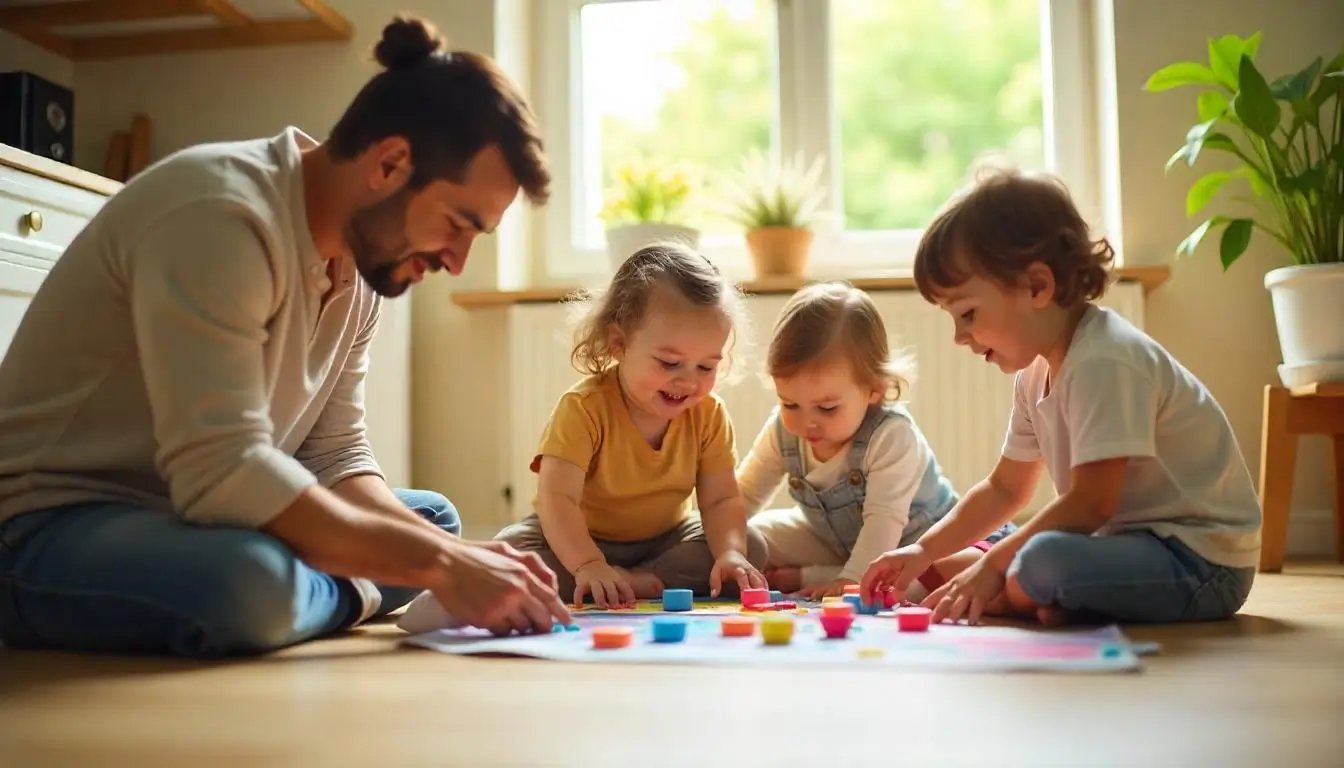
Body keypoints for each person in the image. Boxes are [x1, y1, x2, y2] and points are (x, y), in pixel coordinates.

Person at [0, 15, 572, 658]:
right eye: (457, 224)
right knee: (250, 584)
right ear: (390, 164)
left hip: (187, 512)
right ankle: (319, 590)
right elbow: (220, 470)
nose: (457, 261)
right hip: (44, 526)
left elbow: (335, 455)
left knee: (435, 518)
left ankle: (319, 584)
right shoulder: (219, 214)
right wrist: (440, 568)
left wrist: (447, 553)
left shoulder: (361, 267)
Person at [861, 166, 1261, 626]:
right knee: (980, 557)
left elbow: (1092, 503)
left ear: (1037, 286)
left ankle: (1020, 590)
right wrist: (922, 548)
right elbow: (1005, 487)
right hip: (1127, 543)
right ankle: (1030, 592)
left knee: (1039, 561)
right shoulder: (1035, 372)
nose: (959, 337)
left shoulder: (1105, 360)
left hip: (1201, 562)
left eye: (968, 313)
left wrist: (992, 565)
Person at [493, 243, 769, 607]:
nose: (687, 381)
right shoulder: (584, 409)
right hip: (578, 538)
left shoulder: (709, 415)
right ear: (619, 343)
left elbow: (720, 500)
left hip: (665, 539)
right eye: (670, 363)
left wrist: (730, 554)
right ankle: (603, 580)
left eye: (706, 367)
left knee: (752, 546)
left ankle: (639, 581)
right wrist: (589, 564)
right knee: (508, 553)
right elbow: (557, 500)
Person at [736, 282, 1013, 601]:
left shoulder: (891, 436)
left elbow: (883, 522)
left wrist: (850, 580)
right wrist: (720, 542)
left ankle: (818, 575)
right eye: (789, 404)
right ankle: (835, 571)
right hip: (841, 539)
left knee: (917, 584)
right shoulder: (782, 431)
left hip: (918, 546)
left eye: (827, 408)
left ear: (874, 390)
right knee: (753, 537)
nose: (807, 421)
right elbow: (743, 495)